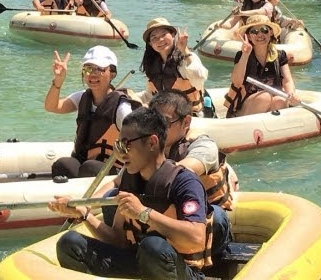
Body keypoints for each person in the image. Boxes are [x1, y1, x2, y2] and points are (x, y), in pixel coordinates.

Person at [48, 107, 218, 280]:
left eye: (126, 144)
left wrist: (144, 213)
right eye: (118, 145)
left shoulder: (185, 182)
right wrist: (85, 215)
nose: (121, 153)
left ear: (152, 143)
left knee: (152, 247)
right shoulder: (131, 180)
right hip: (138, 262)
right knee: (70, 243)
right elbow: (118, 240)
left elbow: (196, 238)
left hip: (178, 269)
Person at [95, 89, 235, 258]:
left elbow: (183, 170)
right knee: (112, 196)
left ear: (186, 122)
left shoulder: (203, 146)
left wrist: (145, 160)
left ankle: (208, 258)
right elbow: (118, 181)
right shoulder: (145, 151)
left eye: (165, 121)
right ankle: (130, 248)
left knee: (216, 215)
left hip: (200, 216)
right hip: (161, 215)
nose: (158, 126)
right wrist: (86, 206)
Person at [45, 46, 137, 178]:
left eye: (99, 69)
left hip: (111, 171)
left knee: (90, 168)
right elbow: (51, 107)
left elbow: (137, 138)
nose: (92, 74)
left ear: (112, 73)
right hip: (84, 162)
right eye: (88, 69)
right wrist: (58, 80)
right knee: (63, 165)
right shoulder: (82, 97)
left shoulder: (121, 107)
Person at [224, 15, 300, 117]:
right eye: (254, 32)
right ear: (249, 36)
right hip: (245, 104)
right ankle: (244, 124)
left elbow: (287, 80)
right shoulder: (242, 55)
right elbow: (236, 81)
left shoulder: (280, 55)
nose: (260, 35)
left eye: (264, 30)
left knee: (280, 101)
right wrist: (245, 55)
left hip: (271, 100)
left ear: (271, 32)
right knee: (264, 97)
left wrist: (291, 95)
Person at [136, 17, 209, 116]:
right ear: (150, 43)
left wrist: (185, 51)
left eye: (163, 34)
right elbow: (150, 94)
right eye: (154, 38)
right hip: (166, 115)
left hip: (191, 115)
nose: (160, 40)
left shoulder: (186, 58)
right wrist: (129, 96)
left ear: (173, 35)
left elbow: (200, 78)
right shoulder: (153, 64)